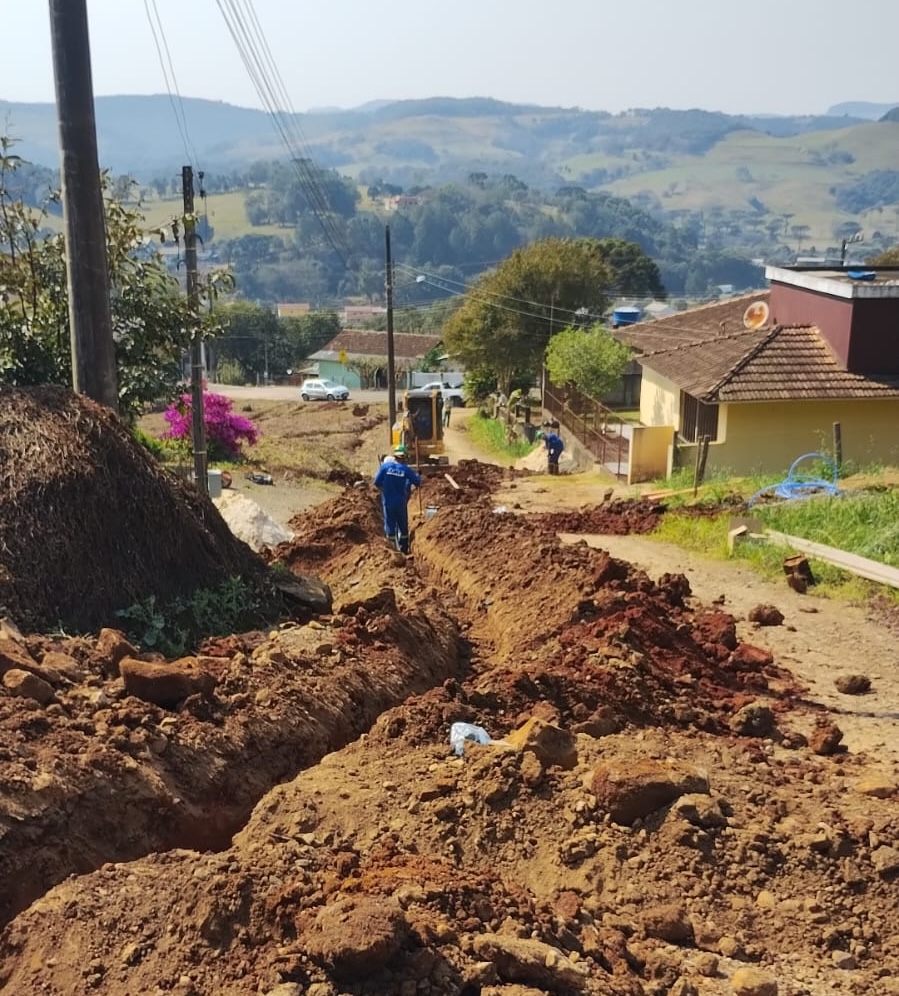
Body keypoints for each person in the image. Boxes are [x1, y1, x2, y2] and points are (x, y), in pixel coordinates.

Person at [373, 444, 421, 554]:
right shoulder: (405, 469)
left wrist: (384, 491)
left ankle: (392, 549)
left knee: (390, 525)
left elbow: (376, 482)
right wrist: (418, 475)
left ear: (395, 456)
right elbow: (417, 482)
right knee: (402, 525)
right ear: (404, 457)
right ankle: (404, 549)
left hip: (388, 501)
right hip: (400, 501)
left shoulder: (385, 467)